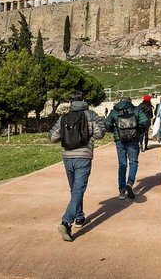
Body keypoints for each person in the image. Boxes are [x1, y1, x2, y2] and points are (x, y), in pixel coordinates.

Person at [49, 90, 106, 242]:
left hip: (67, 157)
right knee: (79, 190)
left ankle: (79, 217)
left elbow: (53, 137)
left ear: (70, 101)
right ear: (84, 99)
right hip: (84, 156)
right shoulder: (92, 115)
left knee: (74, 189)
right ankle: (66, 222)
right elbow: (100, 133)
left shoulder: (64, 117)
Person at [105, 96, 150, 200]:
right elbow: (144, 122)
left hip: (120, 140)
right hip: (133, 139)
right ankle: (130, 183)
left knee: (122, 165)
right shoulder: (136, 109)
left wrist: (115, 131)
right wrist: (139, 131)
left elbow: (107, 124)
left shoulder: (114, 111)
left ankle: (121, 191)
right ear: (130, 102)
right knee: (133, 162)